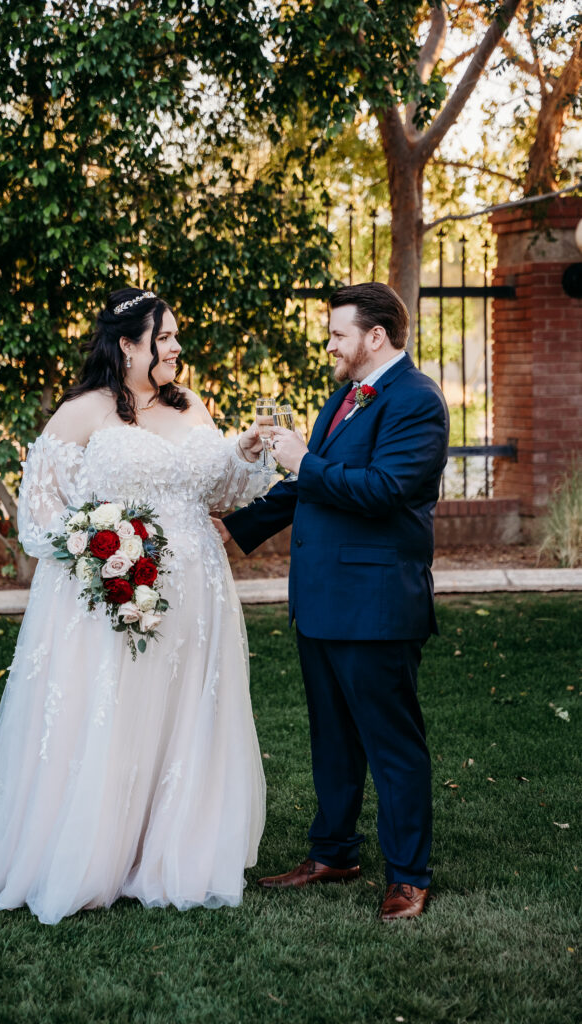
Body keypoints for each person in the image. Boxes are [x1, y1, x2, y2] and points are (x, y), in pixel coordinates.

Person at [0, 287, 272, 924]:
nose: (176, 347)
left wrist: (245, 453)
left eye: (174, 336)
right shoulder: (82, 413)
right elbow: (40, 517)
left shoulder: (191, 404)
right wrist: (104, 548)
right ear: (127, 344)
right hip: (119, 594)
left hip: (199, 595)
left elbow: (218, 489)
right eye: (164, 337)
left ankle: (175, 839)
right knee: (122, 712)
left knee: (186, 710)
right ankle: (102, 843)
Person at [217, 282, 449, 921]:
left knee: (391, 743)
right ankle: (334, 852)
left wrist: (301, 459)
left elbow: (385, 489)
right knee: (332, 738)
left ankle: (408, 875)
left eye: (338, 334)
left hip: (375, 603)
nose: (330, 345)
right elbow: (312, 488)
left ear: (376, 336)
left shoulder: (417, 400)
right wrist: (234, 529)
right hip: (320, 598)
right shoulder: (346, 397)